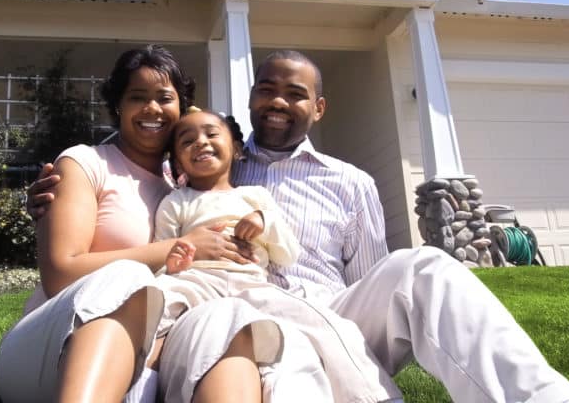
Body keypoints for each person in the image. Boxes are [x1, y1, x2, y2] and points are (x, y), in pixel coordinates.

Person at [29, 49, 569, 403]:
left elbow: (371, 282)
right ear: (247, 103)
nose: (278, 102)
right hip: (233, 316)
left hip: (334, 315)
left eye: (295, 94)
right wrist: (53, 198)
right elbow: (135, 195)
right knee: (266, 345)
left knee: (423, 266)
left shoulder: (352, 182)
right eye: (266, 90)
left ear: (318, 108)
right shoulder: (211, 160)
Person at [0, 45, 292, 403]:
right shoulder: (85, 163)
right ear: (118, 105)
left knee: (227, 320)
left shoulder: (181, 192)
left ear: (181, 108)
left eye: (165, 98)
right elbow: (60, 274)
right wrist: (180, 248)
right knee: (127, 279)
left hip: (147, 349)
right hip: (55, 349)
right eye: (138, 97)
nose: (152, 108)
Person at [152, 108, 402, 403]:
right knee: (151, 308)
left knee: (324, 323)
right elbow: (164, 252)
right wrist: (177, 260)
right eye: (187, 141)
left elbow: (287, 253)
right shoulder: (175, 202)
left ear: (235, 149)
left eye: (211, 133)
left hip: (250, 285)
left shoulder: (255, 197)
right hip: (197, 281)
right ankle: (134, 381)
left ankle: (373, 396)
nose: (200, 142)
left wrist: (264, 222)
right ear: (177, 161)